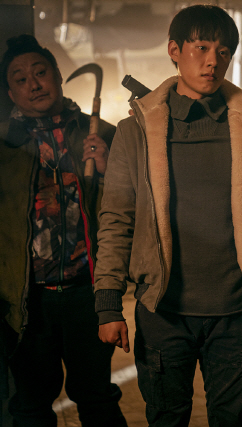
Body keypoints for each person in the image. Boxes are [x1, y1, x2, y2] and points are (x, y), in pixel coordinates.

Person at [93, 5, 242, 426]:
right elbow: (116, 220)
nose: (212, 61)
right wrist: (109, 304)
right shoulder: (136, 132)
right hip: (163, 311)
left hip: (238, 313)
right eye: (201, 47)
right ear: (174, 50)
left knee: (235, 420)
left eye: (223, 51)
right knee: (166, 417)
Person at [0, 35, 127, 427]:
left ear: (57, 75)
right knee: (31, 406)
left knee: (97, 399)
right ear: (11, 93)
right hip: (27, 300)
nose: (34, 84)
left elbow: (132, 211)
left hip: (87, 293)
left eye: (40, 73)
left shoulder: (102, 134)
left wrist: (108, 170)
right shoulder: (4, 145)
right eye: (21, 79)